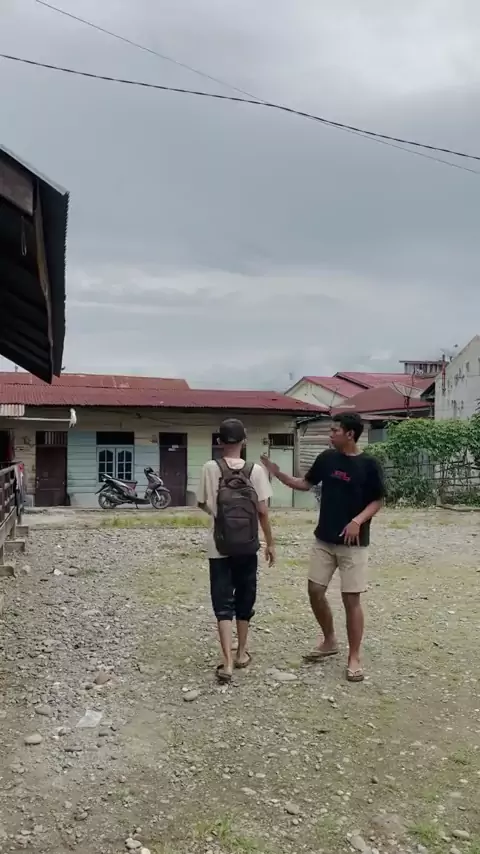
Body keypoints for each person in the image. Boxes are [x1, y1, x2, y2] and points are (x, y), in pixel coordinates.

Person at [261, 412, 384, 683]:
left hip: (353, 544)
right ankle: (329, 640)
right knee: (315, 590)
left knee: (351, 600)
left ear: (350, 434)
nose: (330, 435)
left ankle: (354, 657)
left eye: (334, 430)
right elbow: (304, 483)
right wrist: (278, 473)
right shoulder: (327, 458)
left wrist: (358, 521)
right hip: (324, 539)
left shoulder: (369, 465)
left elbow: (377, 500)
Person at [197, 418, 275, 684]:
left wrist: (219, 515)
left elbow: (202, 503)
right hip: (248, 545)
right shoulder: (256, 471)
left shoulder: (210, 468)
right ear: (245, 441)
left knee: (222, 603)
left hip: (218, 546)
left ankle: (227, 663)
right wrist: (270, 543)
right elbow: (263, 511)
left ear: (219, 442)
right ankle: (242, 653)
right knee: (245, 597)